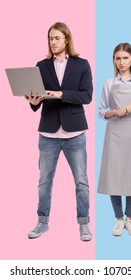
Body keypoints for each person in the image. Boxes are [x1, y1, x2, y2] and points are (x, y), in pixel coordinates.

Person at [25, 22, 93, 241]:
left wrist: (60, 94)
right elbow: (37, 101)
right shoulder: (41, 65)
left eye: (56, 38)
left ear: (66, 39)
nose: (52, 42)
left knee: (81, 181)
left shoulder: (82, 64)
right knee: (44, 181)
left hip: (75, 133)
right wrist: (33, 101)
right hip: (48, 133)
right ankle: (42, 222)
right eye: (49, 38)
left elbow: (87, 96)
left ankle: (84, 223)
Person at [98, 43, 131, 236]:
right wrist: (113, 111)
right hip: (115, 132)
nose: (121, 62)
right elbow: (101, 111)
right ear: (114, 60)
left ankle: (130, 219)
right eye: (118, 58)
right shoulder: (109, 83)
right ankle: (118, 219)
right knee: (114, 175)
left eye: (125, 58)